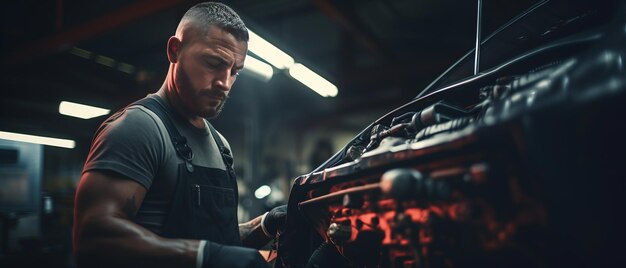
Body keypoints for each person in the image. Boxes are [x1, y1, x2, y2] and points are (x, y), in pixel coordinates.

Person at [73, 2, 286, 268]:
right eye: (213, 63)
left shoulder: (221, 146)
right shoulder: (139, 128)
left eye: (234, 71)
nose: (225, 83)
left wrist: (263, 227)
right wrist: (206, 257)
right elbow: (94, 240)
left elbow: (217, 241)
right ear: (175, 50)